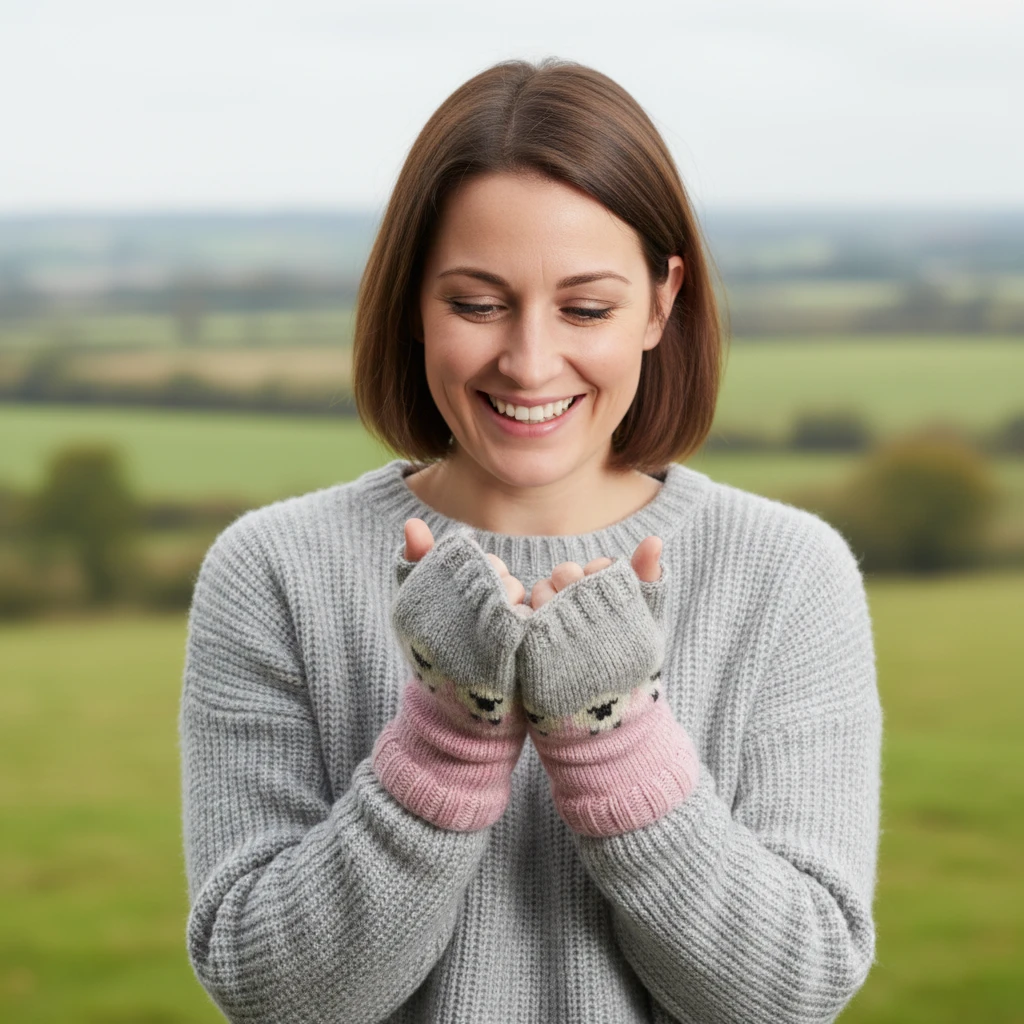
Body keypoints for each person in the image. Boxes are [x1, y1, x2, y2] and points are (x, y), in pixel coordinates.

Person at [179, 57, 882, 1024]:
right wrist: (448, 737)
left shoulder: (789, 576)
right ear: (412, 301)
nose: (530, 361)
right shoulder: (271, 571)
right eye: (475, 303)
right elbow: (271, 995)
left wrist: (613, 733)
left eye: (586, 308)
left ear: (662, 300)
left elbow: (791, 992)